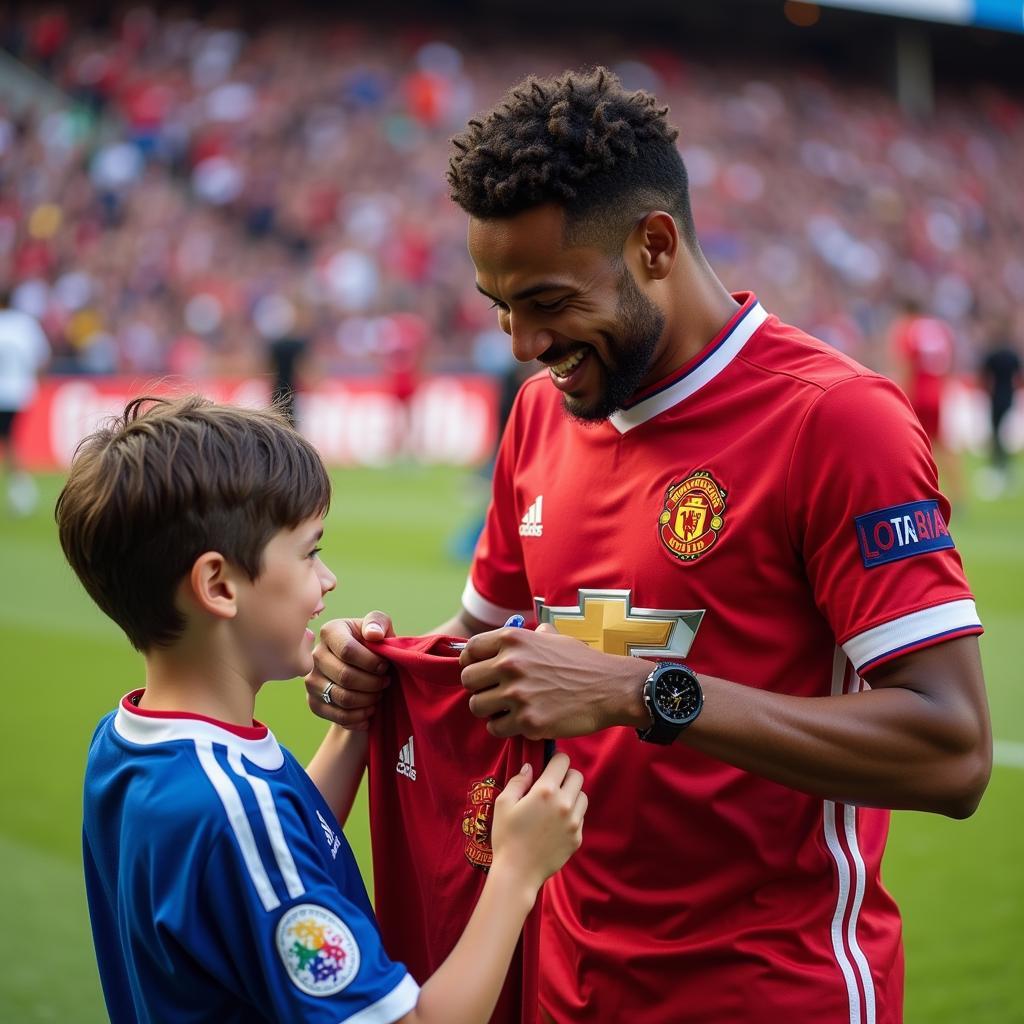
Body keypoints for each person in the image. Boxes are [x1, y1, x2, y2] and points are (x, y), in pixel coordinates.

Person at [307, 68, 992, 1024]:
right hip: (563, 979)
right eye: (499, 303)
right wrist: (379, 668)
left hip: (770, 993)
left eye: (546, 299)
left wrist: (639, 692)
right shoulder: (541, 419)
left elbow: (953, 752)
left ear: (656, 245)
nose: (521, 342)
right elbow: (483, 650)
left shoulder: (836, 423)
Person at [57, 394, 587, 1024]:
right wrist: (517, 873)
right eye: (309, 553)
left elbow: (280, 848)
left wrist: (355, 731)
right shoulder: (235, 809)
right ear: (218, 586)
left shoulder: (125, 742)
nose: (328, 578)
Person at [889, 296, 965, 506]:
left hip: (918, 392)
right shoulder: (938, 329)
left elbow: (907, 365)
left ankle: (915, 493)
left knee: (910, 444)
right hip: (937, 391)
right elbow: (950, 360)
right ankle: (958, 494)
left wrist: (902, 393)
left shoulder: (908, 329)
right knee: (941, 442)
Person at [0, 288, 50, 514]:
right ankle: (21, 489)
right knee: (9, 440)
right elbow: (41, 357)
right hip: (21, 391)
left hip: (4, 391)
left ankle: (23, 490)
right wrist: (36, 381)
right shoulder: (26, 324)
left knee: (9, 442)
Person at [978, 314, 1022, 492]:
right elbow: (1018, 376)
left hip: (995, 397)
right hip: (1009, 396)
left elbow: (984, 377)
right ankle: (1005, 466)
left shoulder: (992, 354)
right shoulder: (1012, 354)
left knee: (996, 433)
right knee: (1004, 434)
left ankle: (998, 466)